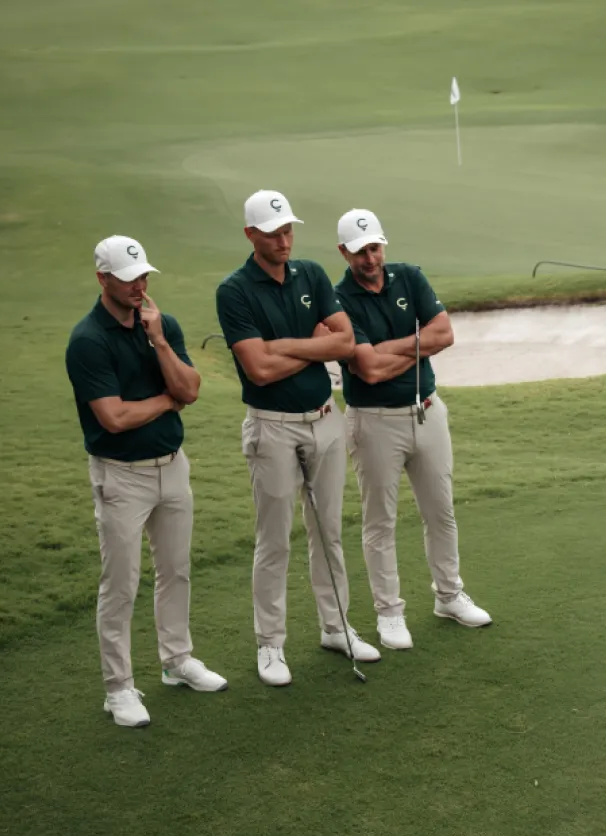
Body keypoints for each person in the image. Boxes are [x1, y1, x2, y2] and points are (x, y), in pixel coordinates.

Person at [215, 190, 380, 686]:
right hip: (272, 426)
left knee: (328, 531)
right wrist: (314, 346)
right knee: (274, 540)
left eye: (288, 231)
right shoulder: (234, 291)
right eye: (273, 234)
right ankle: (270, 645)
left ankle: (336, 628)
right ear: (251, 235)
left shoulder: (310, 274)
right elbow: (259, 371)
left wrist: (283, 346)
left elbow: (345, 341)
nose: (284, 241)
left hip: (325, 419)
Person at [65, 236, 228, 728]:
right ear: (103, 279)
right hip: (121, 476)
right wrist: (165, 402)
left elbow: (190, 389)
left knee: (176, 570)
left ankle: (177, 661)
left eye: (143, 276)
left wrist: (159, 341)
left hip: (172, 466)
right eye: (128, 278)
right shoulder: (88, 340)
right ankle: (118, 689)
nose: (139, 286)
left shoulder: (163, 324)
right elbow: (113, 418)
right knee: (121, 584)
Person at [329, 208, 491, 651]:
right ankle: (389, 613)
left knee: (441, 511)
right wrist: (416, 348)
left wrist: (391, 348)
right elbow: (369, 371)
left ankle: (449, 596)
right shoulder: (338, 300)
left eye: (375, 248)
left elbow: (445, 334)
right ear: (343, 252)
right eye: (360, 251)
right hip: (374, 421)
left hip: (427, 411)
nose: (370, 258)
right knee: (380, 521)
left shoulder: (409, 277)